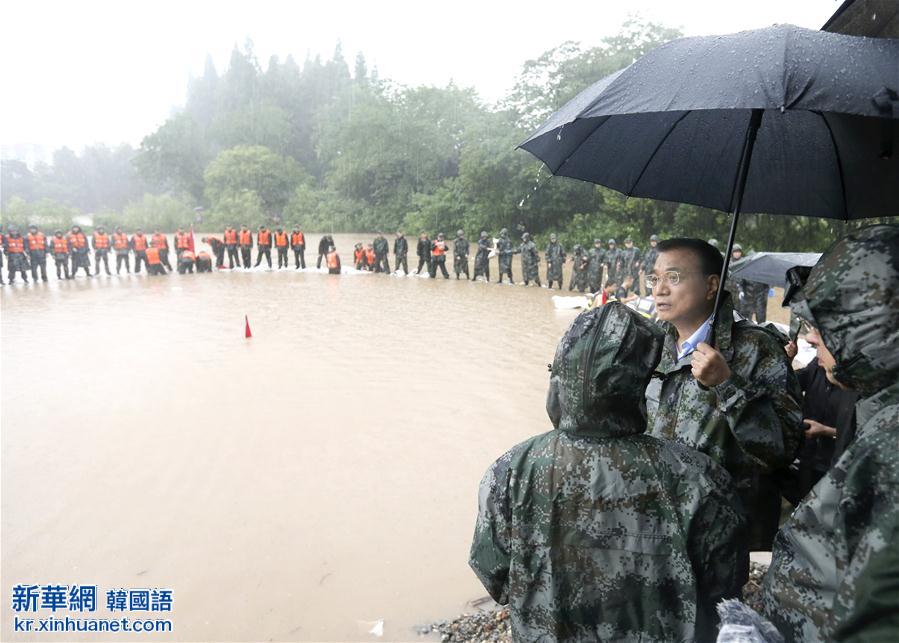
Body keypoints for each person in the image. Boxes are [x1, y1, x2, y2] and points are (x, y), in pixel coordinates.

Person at [470, 303, 748, 642]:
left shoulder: (511, 469)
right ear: (643, 383)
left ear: (561, 373)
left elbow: (494, 574)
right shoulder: (701, 478)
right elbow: (724, 592)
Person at [760, 225, 899, 642]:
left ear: (878, 325)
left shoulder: (890, 448)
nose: (814, 335)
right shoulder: (876, 410)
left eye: (832, 321)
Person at [645, 238, 803, 553]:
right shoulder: (649, 346)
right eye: (654, 278)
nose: (660, 289)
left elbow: (783, 448)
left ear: (711, 285)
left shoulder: (758, 349)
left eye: (673, 278)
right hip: (657, 532)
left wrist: (727, 385)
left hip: (724, 541)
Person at [783, 324, 860, 504]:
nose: (818, 354)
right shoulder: (818, 365)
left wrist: (827, 431)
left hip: (832, 463)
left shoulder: (857, 389)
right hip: (808, 454)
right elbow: (794, 383)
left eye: (821, 346)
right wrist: (786, 360)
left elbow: (860, 433)